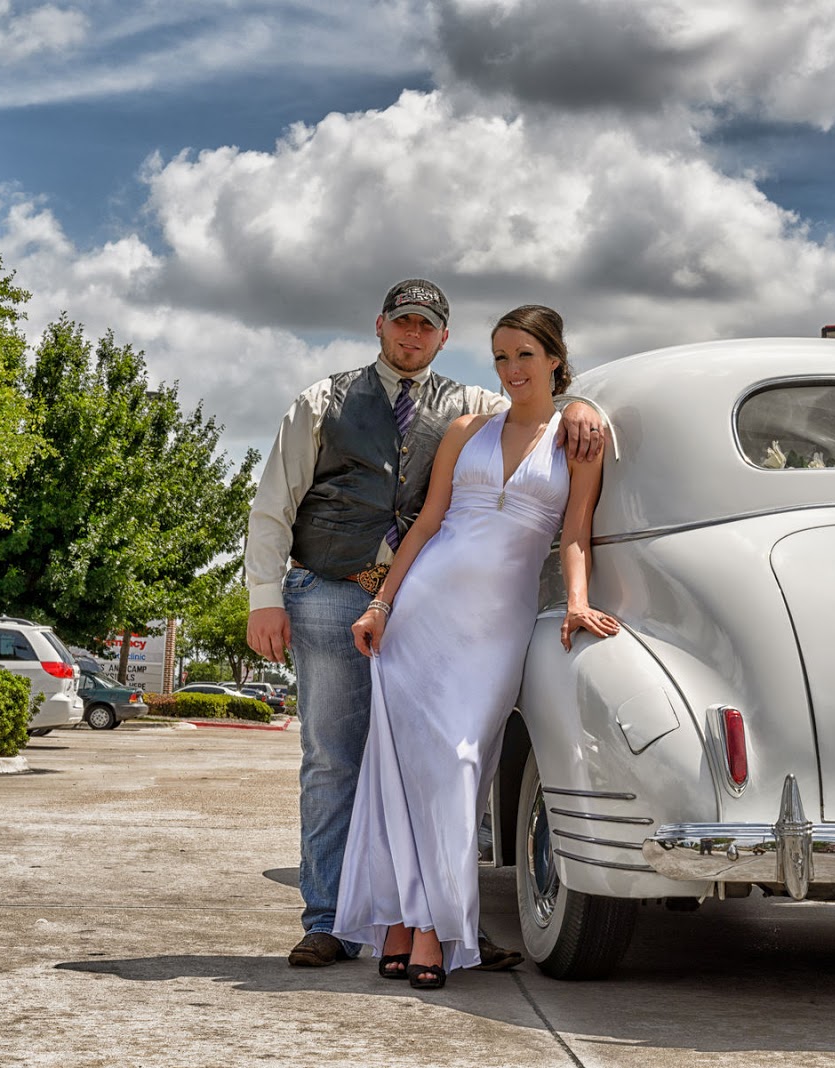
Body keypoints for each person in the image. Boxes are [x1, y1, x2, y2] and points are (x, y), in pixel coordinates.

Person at [245, 280, 606, 971]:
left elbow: (540, 416)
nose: (413, 335)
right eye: (402, 322)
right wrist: (266, 594)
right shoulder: (323, 400)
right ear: (380, 326)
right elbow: (274, 500)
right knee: (338, 759)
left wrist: (583, 401)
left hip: (444, 609)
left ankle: (427, 921)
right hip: (332, 591)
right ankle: (330, 922)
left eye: (428, 326)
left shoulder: (472, 404)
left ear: (443, 337)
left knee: (446, 764)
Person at [334, 305, 619, 989]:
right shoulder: (466, 430)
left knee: (460, 764)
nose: (510, 370)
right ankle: (407, 924)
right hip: (422, 613)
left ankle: (432, 922)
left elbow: (575, 532)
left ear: (554, 356)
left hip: (495, 626)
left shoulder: (578, 437)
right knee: (401, 770)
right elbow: (428, 524)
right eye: (499, 357)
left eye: (524, 354)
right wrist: (381, 604)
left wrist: (578, 602)